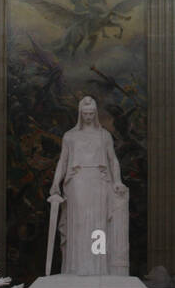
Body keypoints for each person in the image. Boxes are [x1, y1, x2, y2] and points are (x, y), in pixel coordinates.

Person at [48, 95, 128, 275]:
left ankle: (97, 267)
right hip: (77, 182)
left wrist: (117, 181)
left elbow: (113, 160)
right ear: (80, 114)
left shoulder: (104, 135)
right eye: (85, 114)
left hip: (99, 182)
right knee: (78, 225)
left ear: (96, 114)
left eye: (91, 113)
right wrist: (55, 183)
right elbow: (63, 161)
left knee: (98, 225)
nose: (89, 117)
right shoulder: (70, 136)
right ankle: (75, 267)